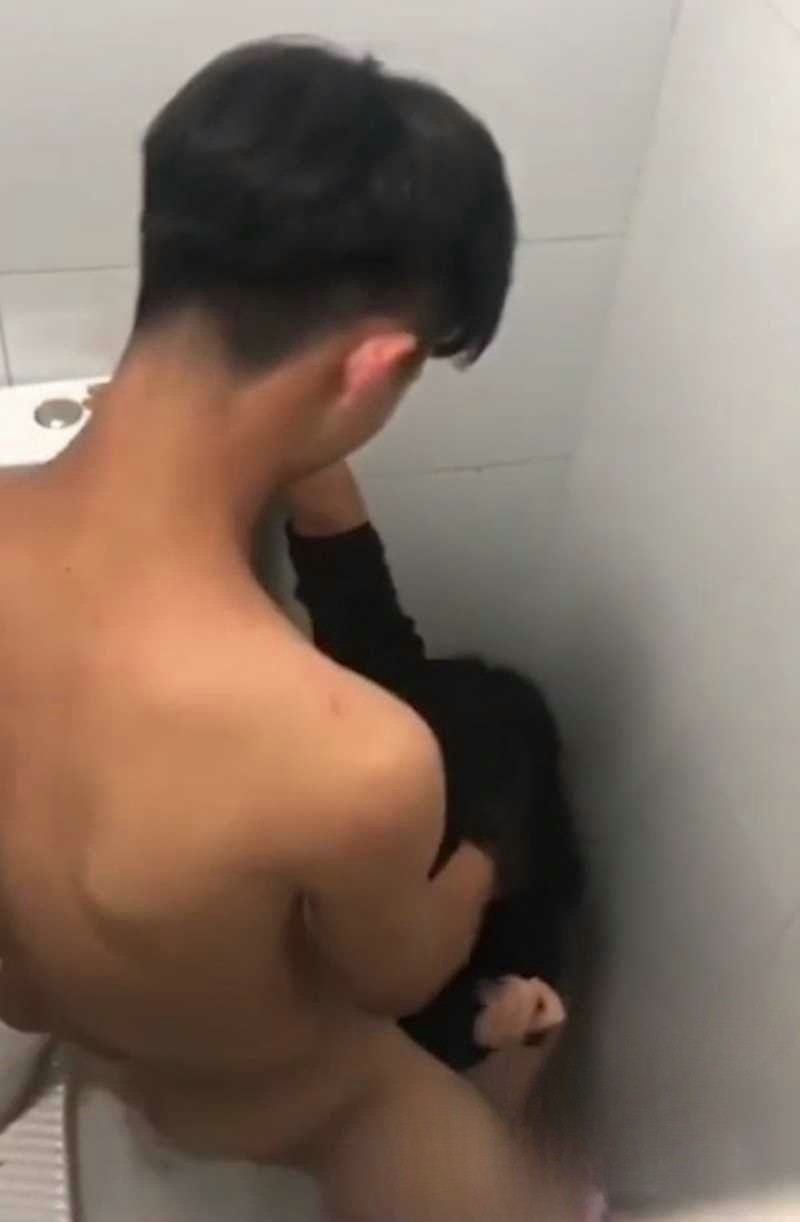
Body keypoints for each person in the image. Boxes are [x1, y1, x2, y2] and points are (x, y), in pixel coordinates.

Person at [0, 35, 551, 1222]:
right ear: (375, 364)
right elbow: (392, 975)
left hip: (81, 1029)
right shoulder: (348, 754)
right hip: (284, 1097)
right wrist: (488, 853)